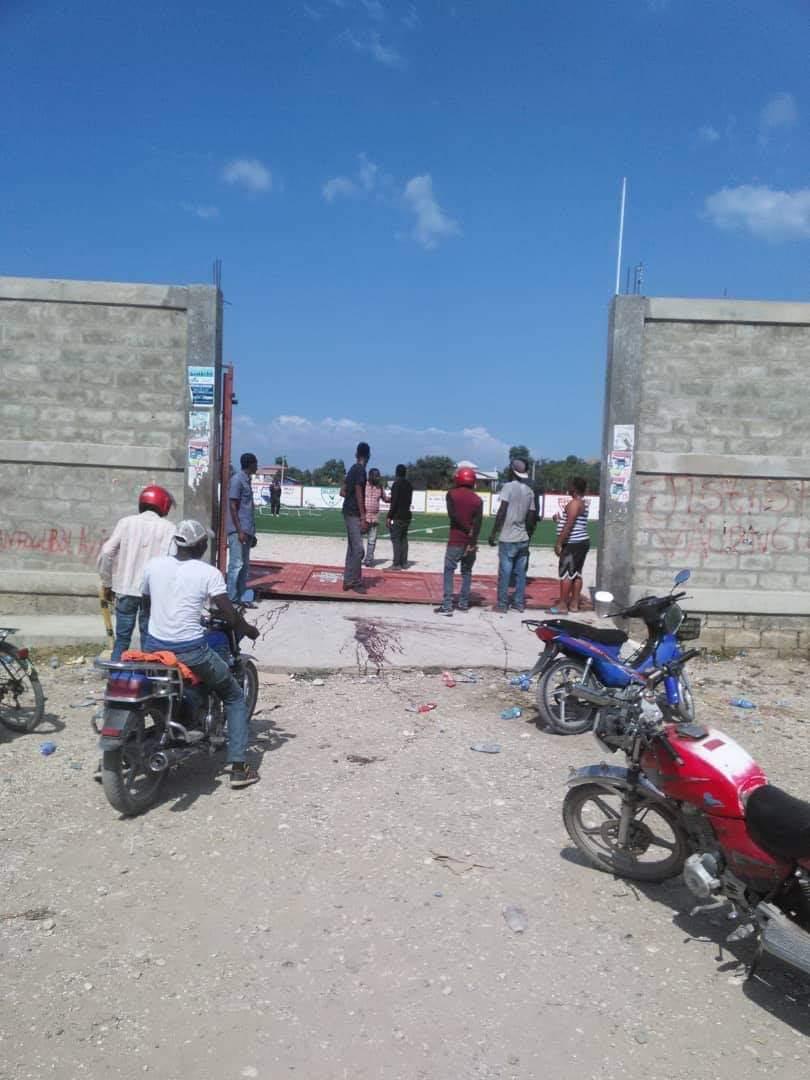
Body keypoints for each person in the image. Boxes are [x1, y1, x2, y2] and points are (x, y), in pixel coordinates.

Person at [141, 519, 261, 789]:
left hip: (153, 649)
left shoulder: (154, 566)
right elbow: (229, 614)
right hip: (190, 651)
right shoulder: (208, 573)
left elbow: (147, 605)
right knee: (233, 694)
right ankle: (239, 767)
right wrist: (249, 629)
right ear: (201, 545)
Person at [97, 485, 176, 661]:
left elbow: (107, 551)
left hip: (125, 589)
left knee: (122, 639)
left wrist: (107, 582)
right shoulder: (169, 528)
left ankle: (116, 676)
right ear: (164, 506)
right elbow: (173, 562)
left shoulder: (126, 523)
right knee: (148, 638)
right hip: (152, 592)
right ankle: (147, 677)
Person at [489, 458, 537, 613]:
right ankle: (519, 603)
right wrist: (527, 533)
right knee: (521, 574)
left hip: (508, 537)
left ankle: (502, 604)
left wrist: (493, 532)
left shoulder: (508, 487)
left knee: (505, 572)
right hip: (522, 537)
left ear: (512, 471)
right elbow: (531, 516)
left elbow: (502, 511)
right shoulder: (529, 491)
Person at [435, 466, 483, 616]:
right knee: (467, 572)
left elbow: (453, 516)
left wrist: (464, 528)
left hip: (455, 540)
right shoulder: (478, 500)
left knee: (449, 571)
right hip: (470, 543)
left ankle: (448, 604)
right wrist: (472, 542)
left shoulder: (451, 494)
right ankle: (463, 603)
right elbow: (478, 523)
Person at [554, 476, 590, 612]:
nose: (567, 488)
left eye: (569, 485)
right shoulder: (581, 503)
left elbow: (569, 524)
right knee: (576, 573)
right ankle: (574, 604)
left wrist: (559, 543)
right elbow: (571, 522)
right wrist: (559, 521)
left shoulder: (574, 503)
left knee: (566, 574)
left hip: (573, 543)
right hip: (580, 542)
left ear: (574, 488)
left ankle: (562, 605)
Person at [227, 452, 258, 605]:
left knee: (244, 566)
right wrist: (239, 531)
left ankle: (240, 597)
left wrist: (252, 533)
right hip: (238, 531)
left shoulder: (247, 480)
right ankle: (231, 599)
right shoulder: (237, 480)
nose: (257, 466)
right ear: (250, 464)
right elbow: (233, 507)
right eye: (256, 463)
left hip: (246, 531)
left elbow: (248, 509)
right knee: (236, 565)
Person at [341, 441, 370, 592]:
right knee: (359, 550)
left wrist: (350, 494)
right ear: (368, 456)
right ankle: (355, 582)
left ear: (356, 454)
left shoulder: (352, 469)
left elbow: (342, 492)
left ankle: (347, 580)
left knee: (352, 548)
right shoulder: (360, 470)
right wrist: (363, 516)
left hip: (347, 511)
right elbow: (359, 492)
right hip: (353, 513)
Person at [387, 464, 413, 570]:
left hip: (397, 516)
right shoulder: (409, 485)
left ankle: (396, 564)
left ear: (396, 473)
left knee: (396, 539)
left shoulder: (396, 484)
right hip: (407, 515)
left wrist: (389, 516)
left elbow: (394, 502)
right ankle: (404, 562)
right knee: (404, 538)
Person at [362, 468, 390, 567]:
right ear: (370, 476)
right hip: (362, 517)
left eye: (379, 475)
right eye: (376, 475)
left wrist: (395, 498)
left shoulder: (380, 487)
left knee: (372, 540)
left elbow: (385, 499)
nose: (378, 477)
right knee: (358, 539)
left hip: (374, 518)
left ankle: (368, 560)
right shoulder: (363, 485)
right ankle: (359, 555)